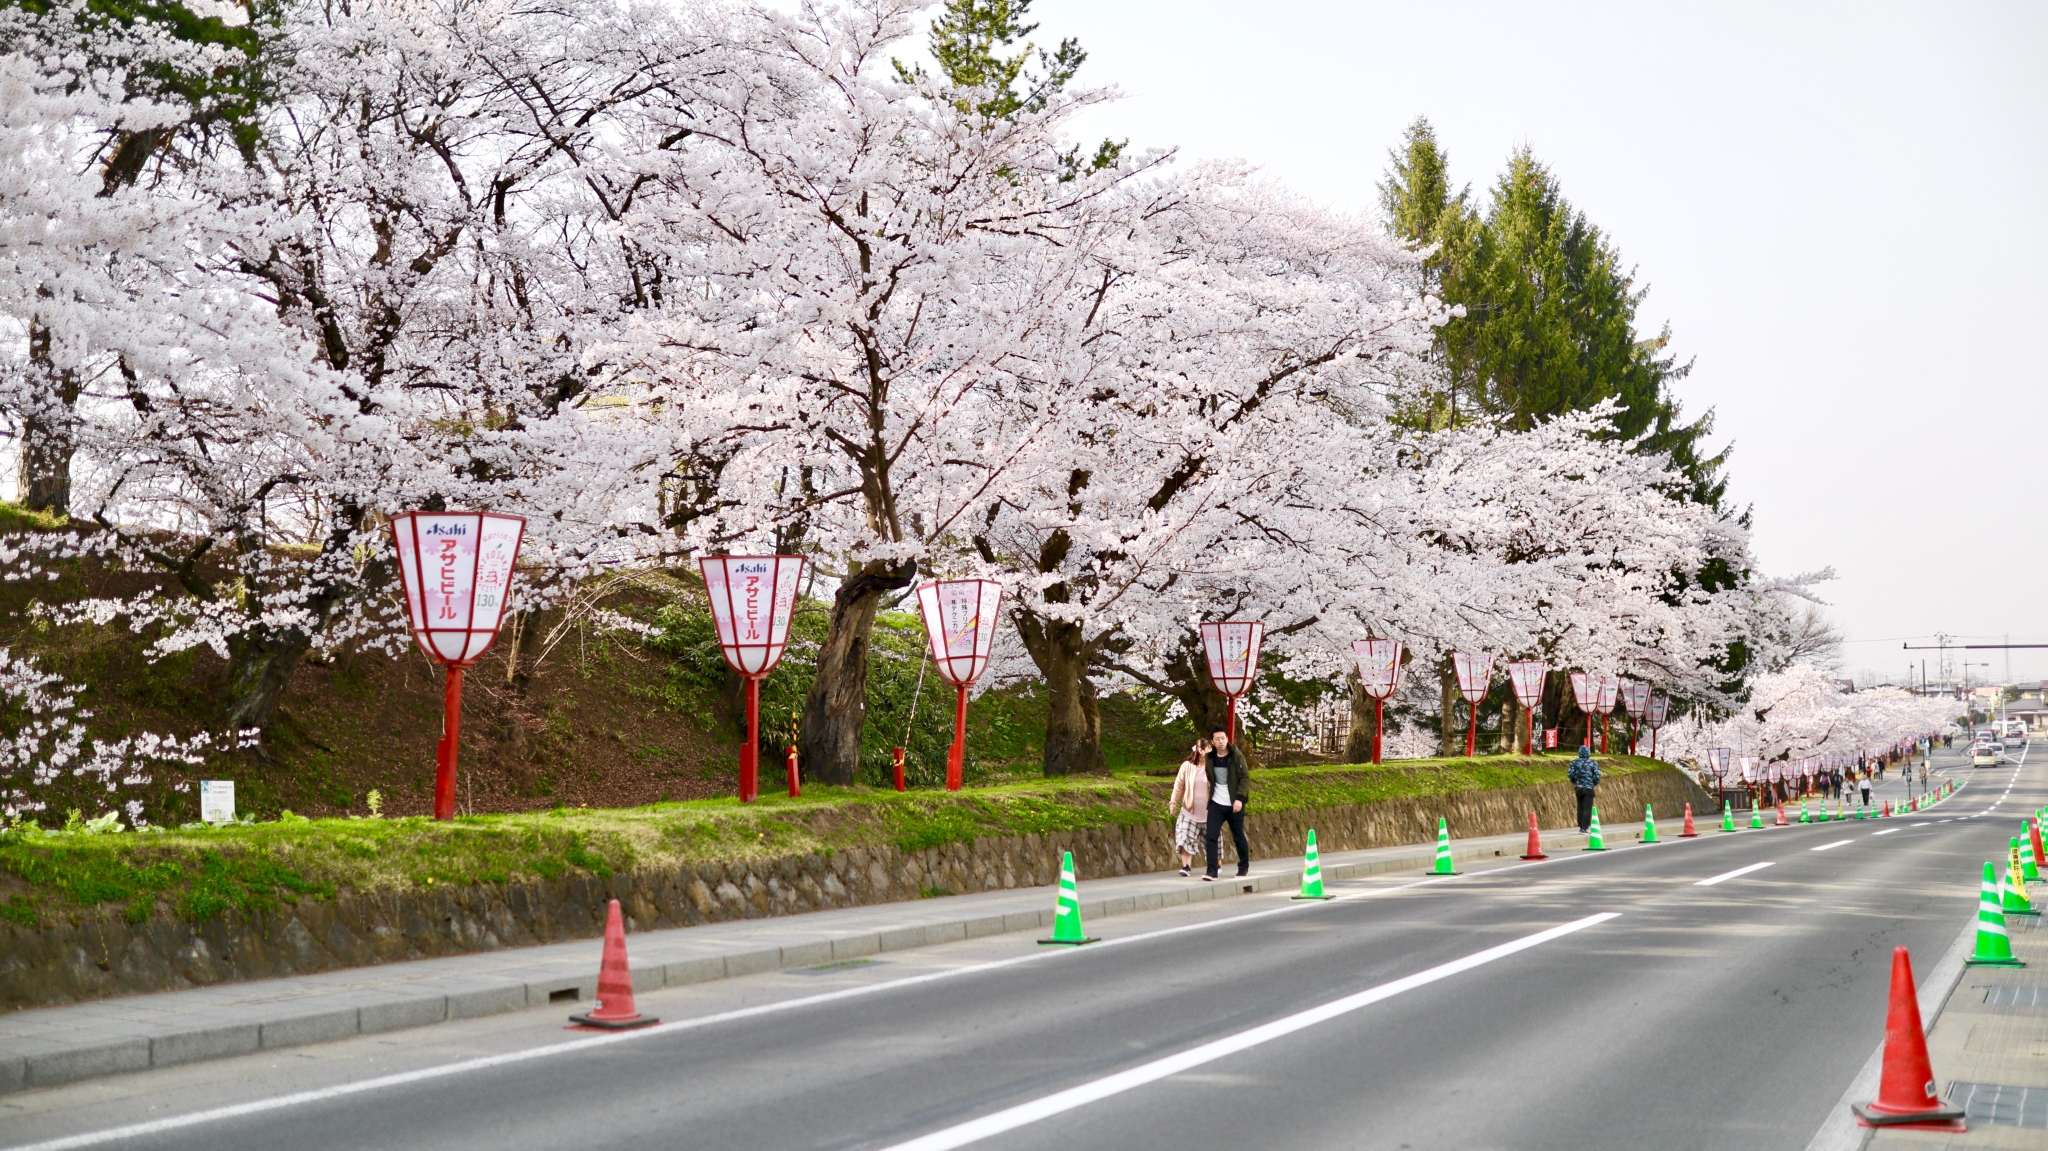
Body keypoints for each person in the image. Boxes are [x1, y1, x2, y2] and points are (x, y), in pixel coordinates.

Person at [1202, 726, 1252, 881]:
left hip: (1234, 802)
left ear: (1227, 738)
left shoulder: (1236, 756)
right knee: (1211, 835)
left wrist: (1239, 799)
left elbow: (1245, 778)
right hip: (1216, 803)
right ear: (1212, 741)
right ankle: (1212, 870)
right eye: (1217, 739)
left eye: (1223, 738)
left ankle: (1243, 867)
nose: (1221, 741)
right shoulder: (1210, 758)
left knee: (1238, 836)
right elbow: (1210, 777)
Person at [1167, 744, 1209, 877]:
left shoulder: (1213, 766)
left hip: (1210, 812)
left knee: (1213, 842)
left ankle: (1216, 865)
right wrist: (1173, 802)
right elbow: (1179, 786)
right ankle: (1186, 866)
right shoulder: (1186, 766)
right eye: (1205, 749)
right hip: (1189, 810)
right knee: (1184, 837)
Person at [1567, 744, 1601, 833]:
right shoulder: (1593, 763)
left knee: (1580, 807)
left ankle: (1581, 826)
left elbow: (1570, 775)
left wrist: (1575, 782)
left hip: (1578, 788)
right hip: (1589, 788)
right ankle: (1584, 828)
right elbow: (1597, 776)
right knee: (1587, 808)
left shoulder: (1574, 762)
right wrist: (1593, 783)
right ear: (1588, 753)